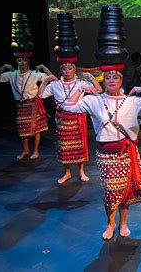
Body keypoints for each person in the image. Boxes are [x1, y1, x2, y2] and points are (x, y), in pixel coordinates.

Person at [63, 4, 141, 240]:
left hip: (126, 151)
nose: (112, 79)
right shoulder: (94, 101)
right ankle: (109, 223)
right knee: (109, 192)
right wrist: (80, 89)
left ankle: (124, 223)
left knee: (125, 192)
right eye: (108, 77)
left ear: (120, 78)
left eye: (115, 76)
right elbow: (67, 107)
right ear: (103, 79)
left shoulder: (132, 100)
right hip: (106, 152)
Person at [39, 11, 103, 183]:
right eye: (64, 68)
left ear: (75, 69)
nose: (67, 71)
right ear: (61, 70)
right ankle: (67, 172)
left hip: (77, 118)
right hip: (62, 119)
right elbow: (40, 96)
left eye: (70, 68)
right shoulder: (56, 85)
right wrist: (45, 81)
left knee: (79, 146)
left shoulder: (81, 83)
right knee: (64, 147)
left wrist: (92, 79)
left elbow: (98, 92)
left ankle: (81, 171)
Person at [0, 58, 52, 160]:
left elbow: (52, 78)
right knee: (21, 130)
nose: (22, 63)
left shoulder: (34, 73)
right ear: (17, 62)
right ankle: (26, 150)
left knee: (36, 129)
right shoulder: (12, 74)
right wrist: (4, 67)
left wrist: (44, 68)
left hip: (33, 104)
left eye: (24, 60)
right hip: (21, 105)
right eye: (19, 60)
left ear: (28, 62)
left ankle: (36, 151)